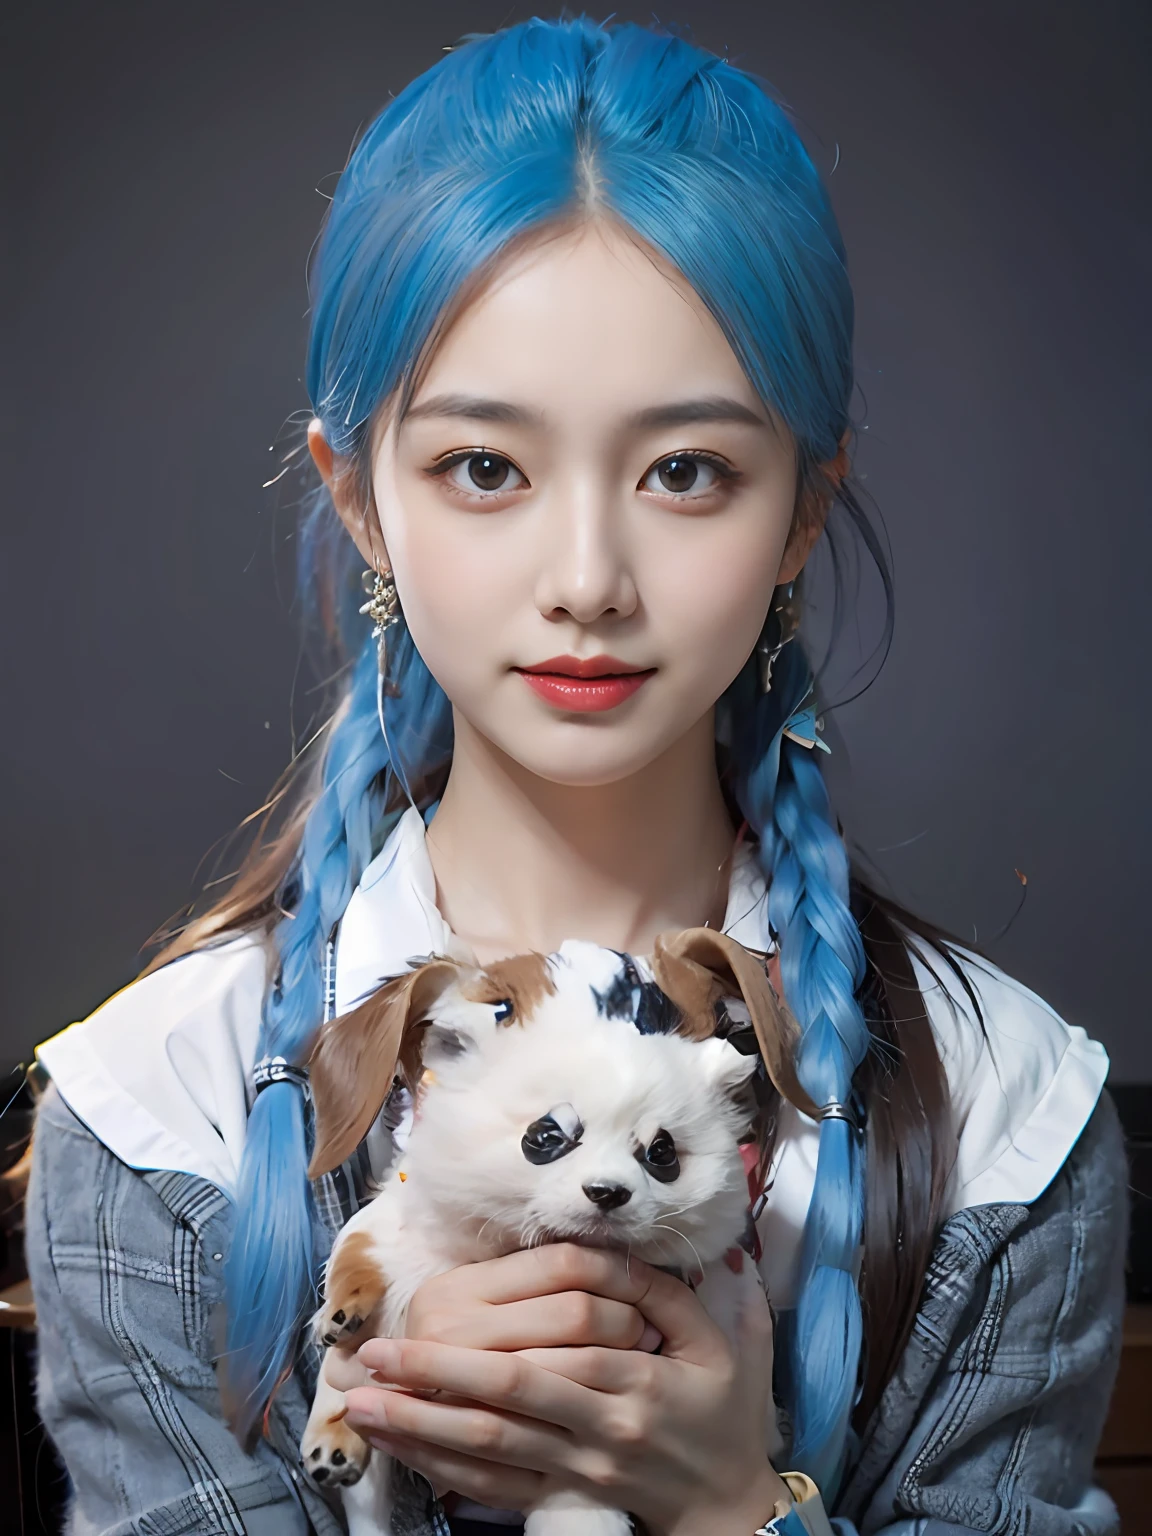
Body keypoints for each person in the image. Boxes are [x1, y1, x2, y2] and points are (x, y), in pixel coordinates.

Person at [25, 17, 1126, 1536]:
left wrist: (739, 1507)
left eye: (689, 471)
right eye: (486, 467)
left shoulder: (1005, 1113)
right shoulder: (163, 1111)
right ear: (358, 498)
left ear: (805, 510)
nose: (590, 578)